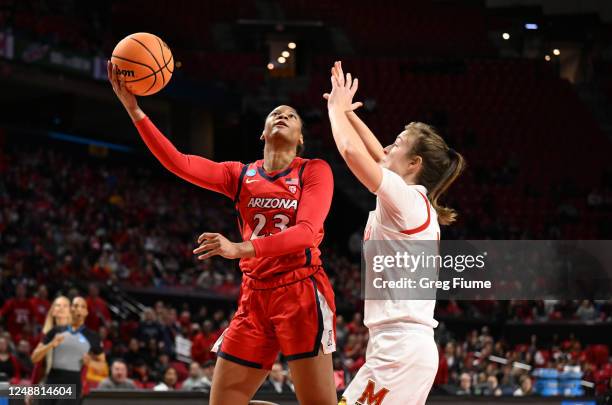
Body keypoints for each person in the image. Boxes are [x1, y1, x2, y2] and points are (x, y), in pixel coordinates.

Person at [109, 61, 337, 405]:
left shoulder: (314, 171)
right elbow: (179, 163)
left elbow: (306, 234)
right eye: (275, 112)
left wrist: (240, 249)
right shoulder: (239, 174)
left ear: (301, 138)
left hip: (300, 291)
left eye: (291, 115)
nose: (282, 115)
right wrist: (134, 109)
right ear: (262, 133)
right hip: (255, 296)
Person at [325, 61, 465, 405]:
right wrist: (352, 116)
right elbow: (379, 154)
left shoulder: (407, 201)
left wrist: (335, 111)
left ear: (414, 164)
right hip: (400, 348)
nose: (388, 146)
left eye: (398, 142)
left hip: (400, 350)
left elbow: (352, 153)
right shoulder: (413, 201)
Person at [31, 296, 105, 404]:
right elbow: (34, 359)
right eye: (75, 306)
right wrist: (51, 344)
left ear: (86, 312)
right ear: (71, 309)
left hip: (73, 383)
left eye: (82, 306)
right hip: (51, 381)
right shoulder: (54, 331)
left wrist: (91, 362)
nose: (79, 309)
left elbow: (102, 365)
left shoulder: (92, 336)